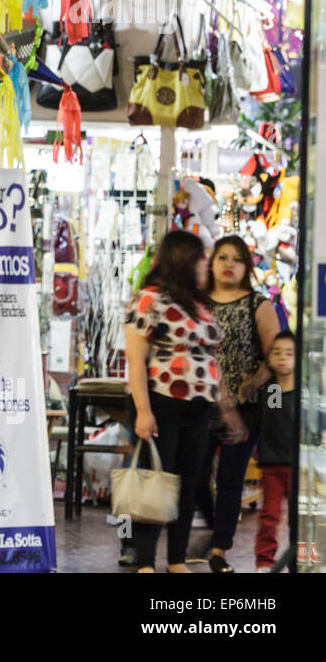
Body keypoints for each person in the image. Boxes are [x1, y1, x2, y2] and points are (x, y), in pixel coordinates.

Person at [123, 230, 229, 573]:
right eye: (202, 257)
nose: (207, 264)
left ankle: (176, 558)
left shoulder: (198, 303)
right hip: (160, 403)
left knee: (185, 485)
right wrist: (142, 410)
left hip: (198, 410)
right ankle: (144, 560)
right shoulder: (149, 299)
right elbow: (136, 359)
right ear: (185, 259)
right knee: (155, 484)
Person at [196, 236, 281, 573]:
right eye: (222, 257)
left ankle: (219, 549)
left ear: (247, 266)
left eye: (237, 259)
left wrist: (254, 383)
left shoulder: (257, 304)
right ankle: (215, 529)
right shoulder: (197, 304)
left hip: (244, 410)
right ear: (212, 262)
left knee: (231, 479)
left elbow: (276, 353)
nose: (228, 264)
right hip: (202, 405)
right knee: (197, 476)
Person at [254, 333, 297, 571]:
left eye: (289, 353)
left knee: (300, 520)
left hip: (298, 467)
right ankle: (264, 562)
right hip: (272, 465)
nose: (282, 358)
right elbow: (269, 422)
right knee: (269, 516)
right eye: (277, 352)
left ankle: (301, 561)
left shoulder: (305, 392)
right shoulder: (271, 392)